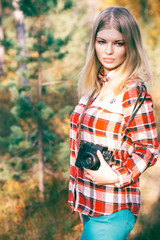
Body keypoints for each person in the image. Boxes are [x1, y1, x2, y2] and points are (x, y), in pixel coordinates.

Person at [68, 6, 159, 240]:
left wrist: (117, 176)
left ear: (131, 45)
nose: (108, 51)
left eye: (118, 43)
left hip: (114, 207)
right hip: (90, 203)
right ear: (94, 43)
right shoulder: (93, 87)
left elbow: (149, 149)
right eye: (102, 41)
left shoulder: (132, 91)